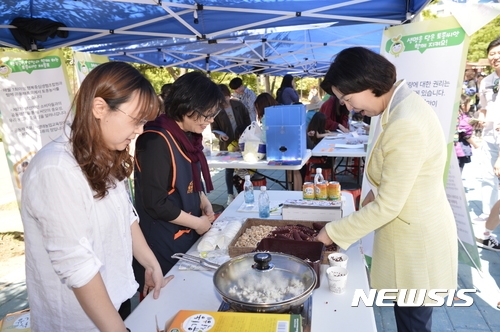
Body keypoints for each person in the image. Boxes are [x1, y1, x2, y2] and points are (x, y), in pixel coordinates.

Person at [20, 61, 172, 331]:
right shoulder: (56, 169)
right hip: (79, 318)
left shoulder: (103, 154)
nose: (139, 131)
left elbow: (125, 216)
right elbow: (77, 266)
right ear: (100, 108)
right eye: (136, 120)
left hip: (114, 297)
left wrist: (150, 262)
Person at [316, 47, 457, 332]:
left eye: (347, 99)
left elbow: (390, 206)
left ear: (366, 85)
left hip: (416, 243)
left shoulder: (405, 123)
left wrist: (332, 231)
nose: (348, 108)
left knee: (412, 323)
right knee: (409, 318)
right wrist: (373, 193)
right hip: (410, 233)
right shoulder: (400, 107)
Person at [133, 71, 223, 291]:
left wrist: (203, 200)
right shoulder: (155, 140)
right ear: (187, 107)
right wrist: (198, 223)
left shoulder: (188, 136)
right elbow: (155, 203)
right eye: (207, 114)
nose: (211, 120)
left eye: (214, 114)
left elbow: (189, 178)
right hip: (161, 243)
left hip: (184, 235)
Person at [212, 84, 251, 205]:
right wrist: (221, 136)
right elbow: (214, 128)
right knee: (229, 170)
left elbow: (248, 121)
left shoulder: (238, 105)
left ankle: (245, 192)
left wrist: (247, 134)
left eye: (226, 97)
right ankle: (230, 194)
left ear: (229, 95)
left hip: (243, 141)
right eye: (221, 98)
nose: (224, 100)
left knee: (245, 167)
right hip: (227, 144)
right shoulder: (215, 110)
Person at [474, 37, 500, 222]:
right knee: (487, 175)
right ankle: (488, 213)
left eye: (499, 52)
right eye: (492, 53)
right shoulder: (486, 81)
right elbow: (484, 107)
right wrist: (481, 119)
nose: (495, 57)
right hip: (490, 135)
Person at [454, 94, 479, 172]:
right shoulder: (464, 119)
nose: (470, 106)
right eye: (468, 104)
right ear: (463, 106)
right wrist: (476, 145)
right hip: (459, 149)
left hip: (451, 149)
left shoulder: (453, 115)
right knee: (457, 172)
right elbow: (467, 136)